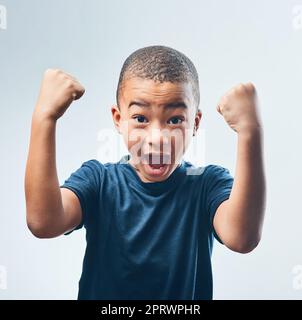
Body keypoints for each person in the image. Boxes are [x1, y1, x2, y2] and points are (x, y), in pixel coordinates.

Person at [24, 45, 266, 300]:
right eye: (140, 118)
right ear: (118, 119)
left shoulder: (207, 185)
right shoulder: (98, 180)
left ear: (195, 123)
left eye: (174, 120)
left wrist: (250, 131)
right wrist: (44, 118)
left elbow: (242, 238)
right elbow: (44, 222)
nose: (157, 138)